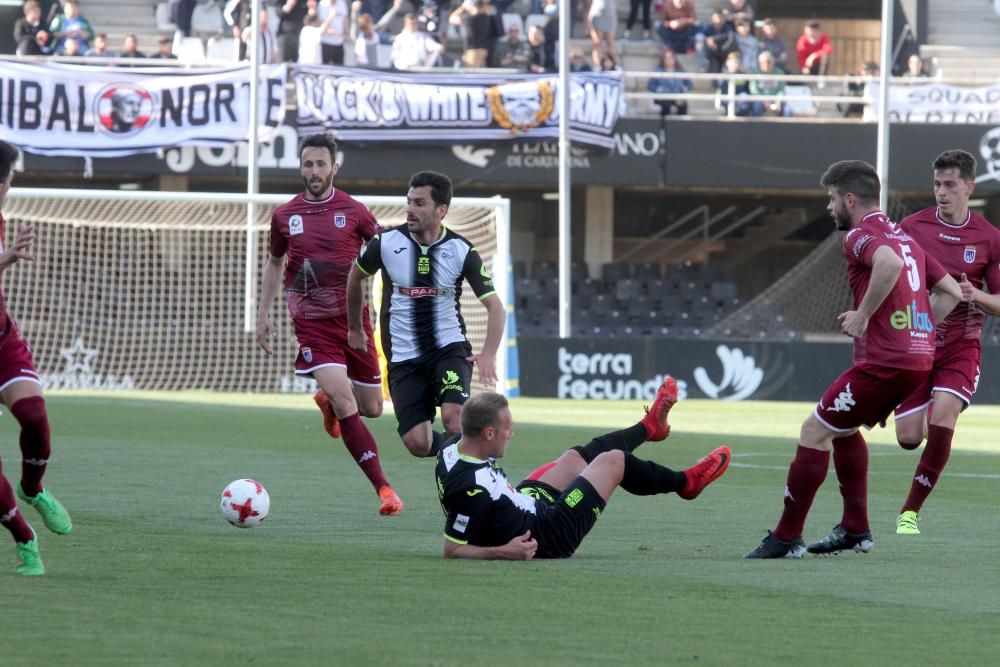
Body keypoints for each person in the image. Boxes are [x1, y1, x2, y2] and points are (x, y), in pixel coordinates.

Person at [744, 160, 962, 559]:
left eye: (831, 199)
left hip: (887, 360)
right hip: (917, 359)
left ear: (849, 198)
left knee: (814, 432)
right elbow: (951, 292)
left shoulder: (860, 236)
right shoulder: (907, 239)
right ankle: (855, 529)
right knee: (843, 430)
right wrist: (919, 330)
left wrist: (863, 314)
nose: (829, 208)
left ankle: (786, 537)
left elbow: (889, 265)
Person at [255, 133, 404, 517]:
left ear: (334, 168)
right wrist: (263, 313)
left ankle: (328, 404)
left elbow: (386, 252)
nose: (315, 171)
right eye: (308, 164)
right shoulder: (284, 215)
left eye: (322, 164)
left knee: (371, 408)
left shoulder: (355, 211)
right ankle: (385, 490)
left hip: (354, 322)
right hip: (311, 324)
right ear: (301, 167)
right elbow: (274, 263)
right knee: (345, 398)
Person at [436, 378, 731, 559]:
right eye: (507, 429)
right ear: (488, 433)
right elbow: (454, 550)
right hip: (547, 534)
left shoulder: (452, 447)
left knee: (574, 459)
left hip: (524, 505)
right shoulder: (470, 488)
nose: (511, 434)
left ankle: (648, 426)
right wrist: (504, 552)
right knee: (613, 461)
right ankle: (686, 483)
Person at [346, 171, 505, 459]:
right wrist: (355, 327)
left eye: (420, 203)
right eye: (409, 202)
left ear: (441, 210)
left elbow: (495, 306)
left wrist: (489, 354)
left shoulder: (462, 250)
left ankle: (468, 483)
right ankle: (469, 450)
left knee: (454, 418)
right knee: (418, 444)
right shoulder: (385, 243)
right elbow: (354, 277)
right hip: (404, 357)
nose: (410, 209)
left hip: (448, 348)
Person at [891, 150, 1000, 535]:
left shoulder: (989, 238)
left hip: (961, 345)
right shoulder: (910, 227)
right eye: (937, 184)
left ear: (969, 186)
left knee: (943, 414)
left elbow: (999, 303)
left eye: (950, 185)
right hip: (917, 344)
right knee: (908, 438)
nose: (942, 192)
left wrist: (977, 296)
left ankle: (909, 513)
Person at [0, 140, 74, 575]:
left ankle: (33, 487)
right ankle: (25, 539)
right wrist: (6, 260)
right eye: (9, 181)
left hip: (2, 339)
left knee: (34, 415)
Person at [648, 47, 692, 116]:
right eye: (666, 58)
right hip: (663, 96)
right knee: (666, 105)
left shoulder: (680, 70)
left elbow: (689, 84)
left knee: (682, 105)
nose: (669, 60)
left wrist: (684, 88)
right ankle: (664, 126)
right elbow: (650, 85)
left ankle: (681, 126)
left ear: (674, 59)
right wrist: (657, 89)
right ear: (663, 60)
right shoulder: (658, 70)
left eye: (670, 58)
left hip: (676, 96)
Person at [749, 50, 789, 117]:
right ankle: (757, 127)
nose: (766, 64)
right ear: (760, 63)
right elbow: (754, 91)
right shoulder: (756, 73)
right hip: (761, 101)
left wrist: (778, 101)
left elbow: (781, 89)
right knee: (757, 107)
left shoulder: (779, 73)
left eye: (768, 62)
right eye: (763, 62)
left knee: (788, 111)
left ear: (773, 62)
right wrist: (764, 101)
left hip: (776, 100)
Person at [586, 0, 617, 68]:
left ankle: (609, 65)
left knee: (610, 42)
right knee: (597, 42)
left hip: (610, 13)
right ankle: (597, 66)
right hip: (597, 13)